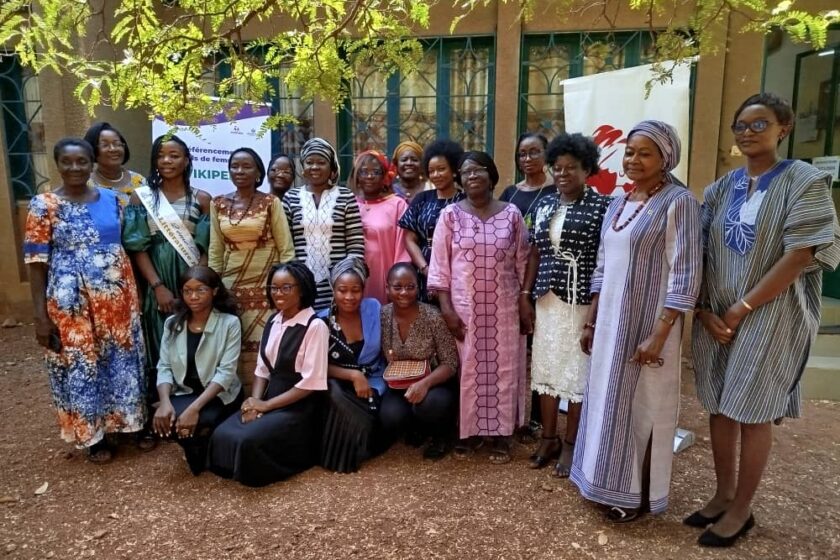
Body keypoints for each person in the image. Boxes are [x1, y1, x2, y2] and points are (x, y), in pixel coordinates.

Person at [689, 93, 840, 547]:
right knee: (718, 403)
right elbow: (700, 251)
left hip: (772, 314)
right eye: (741, 126)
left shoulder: (804, 181)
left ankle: (742, 509)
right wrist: (704, 310)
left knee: (751, 408)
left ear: (784, 128)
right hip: (717, 314)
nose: (748, 133)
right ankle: (722, 494)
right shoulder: (720, 189)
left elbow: (803, 253)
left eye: (759, 124)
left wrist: (742, 308)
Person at [570, 120, 702, 523]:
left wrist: (660, 335)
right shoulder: (619, 203)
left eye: (645, 153)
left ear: (666, 158)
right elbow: (603, 266)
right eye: (629, 151)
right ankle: (603, 481)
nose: (633, 159)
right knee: (608, 404)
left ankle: (639, 497)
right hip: (610, 324)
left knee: (645, 409)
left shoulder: (679, 202)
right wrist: (591, 322)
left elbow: (686, 272)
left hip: (649, 326)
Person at [23, 138, 146, 463]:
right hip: (69, 301)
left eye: (82, 161)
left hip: (116, 297)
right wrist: (39, 316)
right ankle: (93, 435)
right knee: (80, 362)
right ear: (58, 164)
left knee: (120, 358)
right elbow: (36, 265)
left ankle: (127, 423)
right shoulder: (43, 204)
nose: (75, 168)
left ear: (92, 163)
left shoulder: (113, 199)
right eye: (67, 162)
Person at [428, 151, 530, 464]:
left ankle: (500, 435)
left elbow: (524, 260)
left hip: (504, 308)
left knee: (503, 368)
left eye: (479, 170)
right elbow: (440, 265)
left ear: (492, 175)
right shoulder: (450, 216)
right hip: (464, 309)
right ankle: (469, 432)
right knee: (469, 369)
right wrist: (446, 309)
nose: (472, 176)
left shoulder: (512, 214)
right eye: (466, 172)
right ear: (460, 179)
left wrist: (525, 300)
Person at [520, 133, 610, 476]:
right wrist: (524, 295)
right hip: (547, 300)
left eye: (571, 168)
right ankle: (548, 437)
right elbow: (534, 252)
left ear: (588, 169)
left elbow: (605, 262)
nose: (562, 174)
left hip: (580, 301)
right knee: (545, 369)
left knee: (575, 374)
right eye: (557, 168)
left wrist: (594, 317)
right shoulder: (544, 204)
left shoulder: (603, 206)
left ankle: (572, 443)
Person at [208, 261, 329, 487]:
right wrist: (255, 402)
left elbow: (310, 384)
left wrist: (267, 406)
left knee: (246, 439)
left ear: (301, 289)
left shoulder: (315, 326)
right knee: (221, 434)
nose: (278, 294)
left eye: (286, 288)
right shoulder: (273, 320)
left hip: (299, 405)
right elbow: (262, 370)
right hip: (270, 397)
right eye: (274, 288)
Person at [124, 135, 211, 397]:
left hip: (191, 278)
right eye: (160, 156)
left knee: (195, 335)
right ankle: (161, 402)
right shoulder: (142, 199)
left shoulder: (202, 199)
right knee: (161, 337)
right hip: (158, 278)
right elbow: (137, 247)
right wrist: (157, 286)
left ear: (186, 160)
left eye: (174, 155)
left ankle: (194, 397)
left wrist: (199, 285)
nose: (166, 161)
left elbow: (207, 248)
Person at [208, 147, 295, 387]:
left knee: (266, 346)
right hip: (231, 288)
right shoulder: (218, 204)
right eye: (234, 166)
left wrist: (284, 289)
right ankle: (237, 402)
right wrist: (215, 290)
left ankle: (264, 401)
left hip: (266, 287)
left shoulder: (270, 203)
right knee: (233, 346)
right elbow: (215, 251)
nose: (240, 171)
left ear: (258, 172)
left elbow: (286, 249)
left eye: (246, 166)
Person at [153, 266, 243, 474]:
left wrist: (194, 409)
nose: (193, 296)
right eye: (187, 291)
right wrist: (165, 403)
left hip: (218, 394)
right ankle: (195, 444)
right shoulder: (172, 324)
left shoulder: (229, 323)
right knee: (162, 420)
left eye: (201, 290)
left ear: (215, 291)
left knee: (192, 421)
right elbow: (164, 366)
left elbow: (226, 373)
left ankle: (204, 444)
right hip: (185, 391)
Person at [379, 263, 460, 460]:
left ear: (418, 287)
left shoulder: (433, 316)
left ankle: (442, 435)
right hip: (399, 383)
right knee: (390, 417)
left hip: (435, 383)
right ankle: (417, 429)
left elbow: (450, 363)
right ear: (387, 288)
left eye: (410, 286)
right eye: (397, 287)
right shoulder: (383, 314)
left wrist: (424, 384)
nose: (404, 292)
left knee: (428, 405)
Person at [318, 257, 388, 473]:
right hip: (339, 383)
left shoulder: (373, 308)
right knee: (336, 394)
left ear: (363, 289)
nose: (349, 297)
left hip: (374, 380)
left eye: (355, 290)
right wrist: (352, 375)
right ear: (333, 289)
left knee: (385, 419)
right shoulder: (322, 321)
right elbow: (317, 365)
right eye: (342, 290)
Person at [283, 138, 365, 310]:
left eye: (321, 162)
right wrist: (292, 279)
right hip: (300, 284)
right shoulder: (291, 198)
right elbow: (285, 245)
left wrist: (347, 280)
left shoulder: (346, 197)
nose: (314, 167)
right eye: (309, 162)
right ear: (303, 168)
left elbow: (355, 245)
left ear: (332, 168)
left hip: (340, 286)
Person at [399, 139, 465, 302]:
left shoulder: (465, 201)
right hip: (424, 273)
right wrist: (426, 269)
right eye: (432, 171)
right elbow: (409, 239)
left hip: (458, 271)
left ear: (454, 170)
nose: (436, 175)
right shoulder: (422, 199)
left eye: (441, 169)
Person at [354, 150, 411, 303]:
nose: (370, 176)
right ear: (356, 176)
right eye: (364, 171)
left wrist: (397, 284)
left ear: (385, 176)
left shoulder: (397, 205)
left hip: (384, 276)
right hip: (353, 279)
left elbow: (403, 250)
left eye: (376, 172)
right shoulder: (348, 203)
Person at [499, 133, 554, 233]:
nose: (527, 159)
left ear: (546, 155)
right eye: (523, 154)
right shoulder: (510, 193)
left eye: (533, 152)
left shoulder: (557, 191)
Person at [82, 121, 146, 206]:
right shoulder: (85, 185)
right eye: (105, 145)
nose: (113, 149)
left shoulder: (140, 181)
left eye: (117, 144)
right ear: (93, 150)